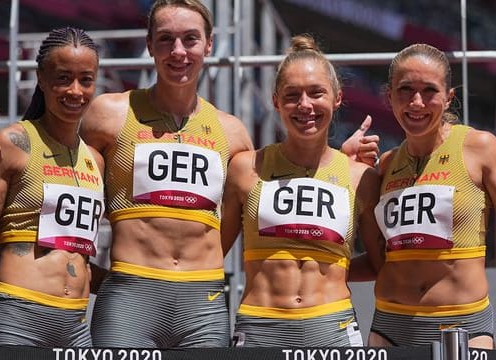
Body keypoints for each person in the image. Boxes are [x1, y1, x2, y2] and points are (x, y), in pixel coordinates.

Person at [81, 0, 378, 348]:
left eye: (190, 39)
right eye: (166, 39)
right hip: (131, 295)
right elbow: (65, 188)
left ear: (208, 44)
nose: (178, 51)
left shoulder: (233, 133)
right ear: (149, 45)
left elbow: (293, 186)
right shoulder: (108, 114)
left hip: (202, 307)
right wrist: (87, 272)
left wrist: (341, 161)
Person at [220, 34, 384, 347]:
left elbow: (380, 264)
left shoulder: (360, 177)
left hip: (332, 327)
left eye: (316, 93)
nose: (305, 105)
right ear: (275, 101)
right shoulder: (245, 168)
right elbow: (213, 253)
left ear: (337, 98)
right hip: (259, 327)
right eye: (292, 95)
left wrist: (331, 270)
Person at [370, 43, 496, 349]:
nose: (417, 102)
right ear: (389, 96)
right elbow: (377, 254)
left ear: (448, 96)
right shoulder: (385, 165)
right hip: (390, 325)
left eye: (429, 90)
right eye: (405, 90)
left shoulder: (479, 147)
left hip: (464, 325)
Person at [0, 27, 104, 346]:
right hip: (17, 321)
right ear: (40, 78)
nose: (75, 91)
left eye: (86, 79)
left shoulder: (94, 159)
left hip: (78, 328)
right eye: (63, 77)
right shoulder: (12, 143)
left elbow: (74, 252)